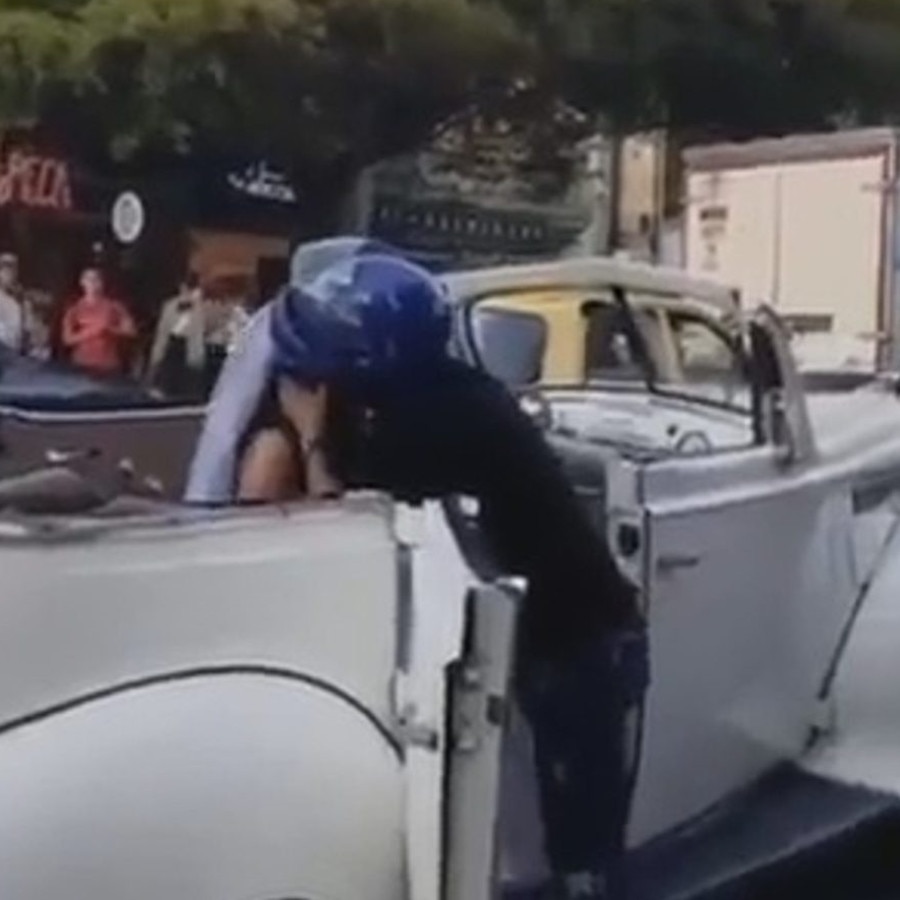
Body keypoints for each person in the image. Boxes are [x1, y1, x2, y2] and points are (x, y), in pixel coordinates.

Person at [233, 250, 650, 899]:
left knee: (583, 856)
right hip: (560, 634)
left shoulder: (428, 426)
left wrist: (312, 435)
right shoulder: (443, 394)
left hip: (575, 645)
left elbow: (344, 530)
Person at [62, 267, 136, 375]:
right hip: (81, 364)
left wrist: (110, 330)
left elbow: (131, 331)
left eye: (96, 279)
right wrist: (89, 333)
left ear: (102, 283)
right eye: (88, 279)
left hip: (108, 365)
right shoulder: (74, 309)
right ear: (82, 283)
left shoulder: (115, 307)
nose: (92, 283)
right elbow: (67, 339)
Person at [146, 273, 208, 400]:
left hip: (194, 358)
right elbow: (162, 335)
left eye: (193, 289)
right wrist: (155, 362)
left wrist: (197, 305)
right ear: (181, 288)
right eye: (187, 288)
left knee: (191, 395)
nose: (188, 292)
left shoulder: (205, 307)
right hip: (173, 352)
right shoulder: (170, 306)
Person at [0, 253, 23, 352]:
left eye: (13, 271)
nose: (10, 275)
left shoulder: (19, 301)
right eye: (6, 271)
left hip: (14, 354)